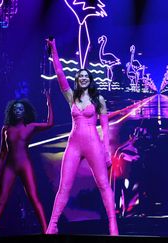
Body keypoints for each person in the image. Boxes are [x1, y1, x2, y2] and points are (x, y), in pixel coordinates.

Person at [45, 38, 118, 235]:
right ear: (77, 80)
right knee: (64, 187)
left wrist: (107, 152)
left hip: (93, 143)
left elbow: (105, 128)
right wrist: (54, 49)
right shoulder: (71, 97)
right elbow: (60, 74)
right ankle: (52, 225)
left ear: (90, 79)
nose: (83, 78)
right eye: (80, 76)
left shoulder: (98, 99)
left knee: (103, 185)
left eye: (86, 75)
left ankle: (113, 226)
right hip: (74, 144)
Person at [0, 91, 53, 236]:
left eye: (20, 109)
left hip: (25, 165)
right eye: (15, 109)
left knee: (33, 197)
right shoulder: (5, 129)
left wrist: (48, 101)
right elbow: (2, 151)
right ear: (12, 111)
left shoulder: (31, 126)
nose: (18, 111)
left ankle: (46, 231)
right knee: (1, 200)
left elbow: (50, 123)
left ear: (25, 112)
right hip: (9, 166)